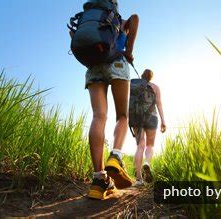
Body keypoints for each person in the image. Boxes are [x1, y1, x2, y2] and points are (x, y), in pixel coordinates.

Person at [79, 10, 139, 199]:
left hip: (94, 66)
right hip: (117, 62)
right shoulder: (117, 20)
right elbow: (135, 18)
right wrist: (128, 50)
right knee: (122, 116)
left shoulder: (85, 20)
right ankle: (115, 157)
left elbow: (76, 42)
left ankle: (98, 181)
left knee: (99, 116)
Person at [133, 69, 166, 186]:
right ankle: (146, 162)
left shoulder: (135, 84)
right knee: (150, 145)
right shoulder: (155, 87)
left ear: (142, 76)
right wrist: (163, 121)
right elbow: (159, 104)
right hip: (152, 117)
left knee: (140, 146)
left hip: (136, 117)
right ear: (151, 77)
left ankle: (138, 179)